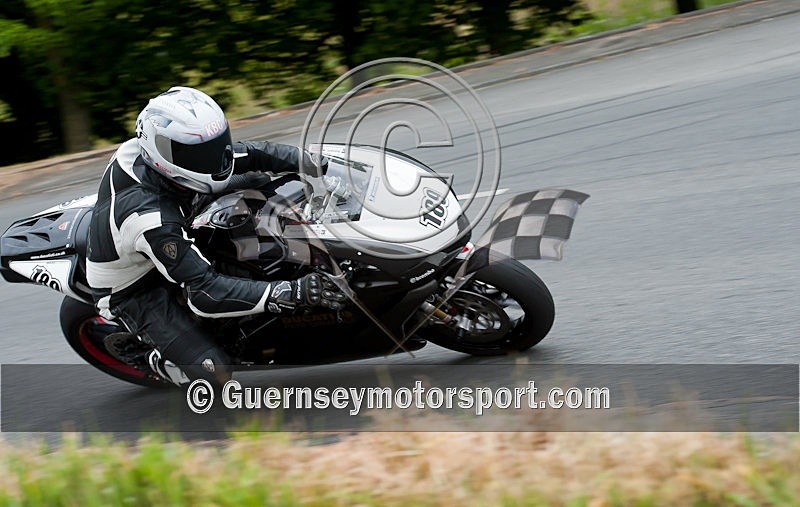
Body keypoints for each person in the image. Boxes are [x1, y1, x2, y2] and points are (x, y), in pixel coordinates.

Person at [86, 86, 345, 386]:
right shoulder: (152, 219)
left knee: (256, 180)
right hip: (136, 289)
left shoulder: (167, 157)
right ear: (162, 155)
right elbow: (205, 294)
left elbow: (252, 154)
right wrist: (288, 291)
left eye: (215, 144)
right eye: (198, 153)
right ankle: (151, 357)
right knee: (215, 374)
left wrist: (313, 161)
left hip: (174, 216)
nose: (214, 158)